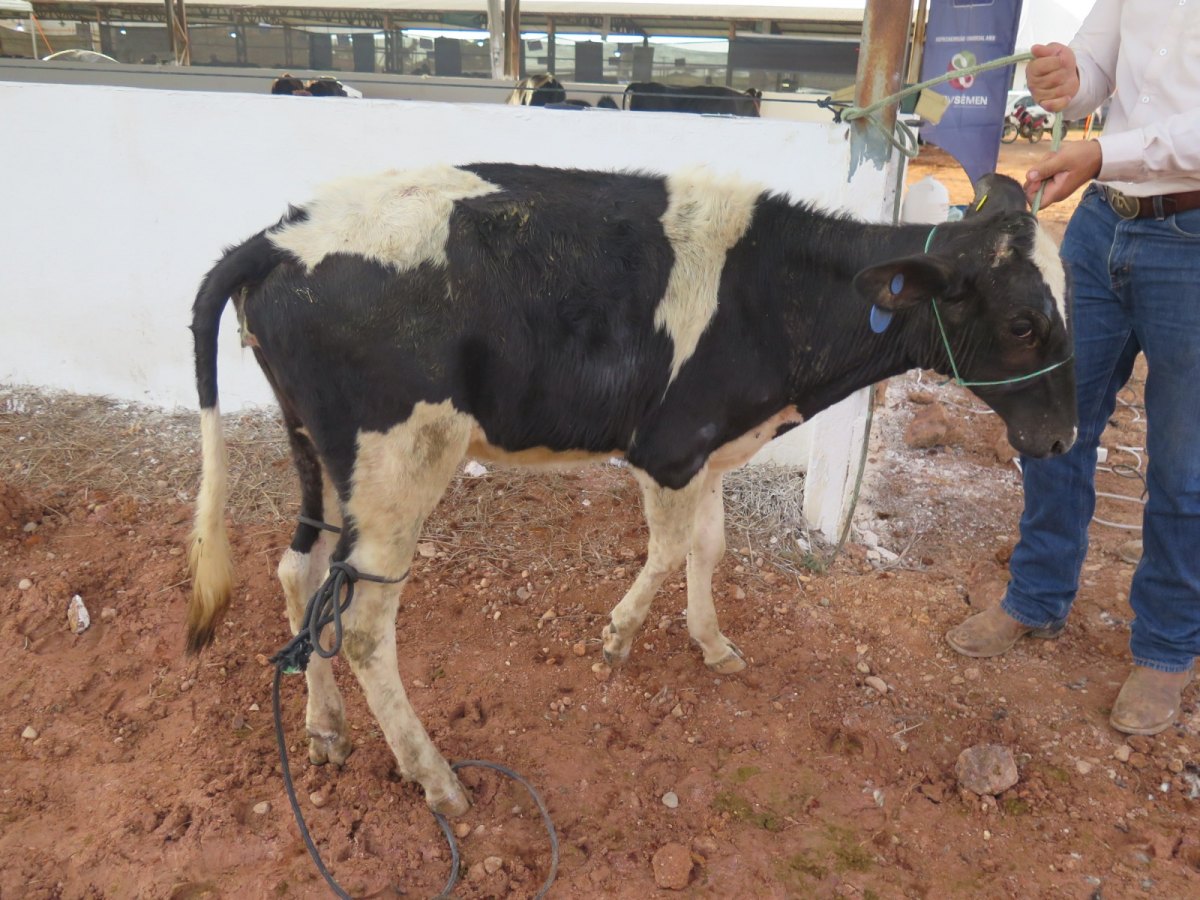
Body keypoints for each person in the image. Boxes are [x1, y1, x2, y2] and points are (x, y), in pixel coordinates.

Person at [946, 0, 1200, 736]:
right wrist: (1069, 74)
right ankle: (1036, 596)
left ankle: (1164, 650)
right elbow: (1097, 67)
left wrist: (1100, 154)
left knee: (1184, 468)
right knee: (1054, 422)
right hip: (1103, 225)